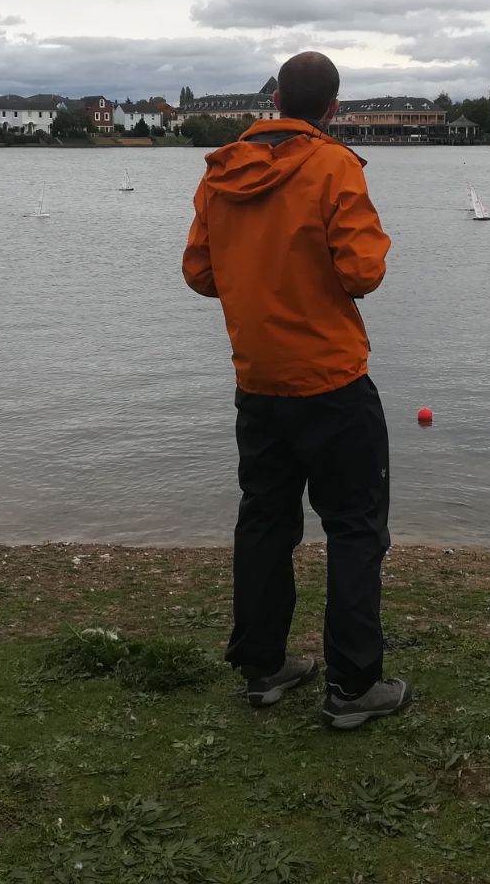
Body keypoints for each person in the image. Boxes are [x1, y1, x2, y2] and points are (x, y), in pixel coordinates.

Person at [183, 51, 410, 730]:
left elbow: (199, 274)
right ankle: (353, 686)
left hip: (258, 380)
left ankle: (263, 668)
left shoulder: (222, 171)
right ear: (333, 108)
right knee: (355, 527)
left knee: (264, 522)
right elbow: (363, 272)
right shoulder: (334, 166)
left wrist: (256, 273)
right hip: (332, 380)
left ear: (276, 101)